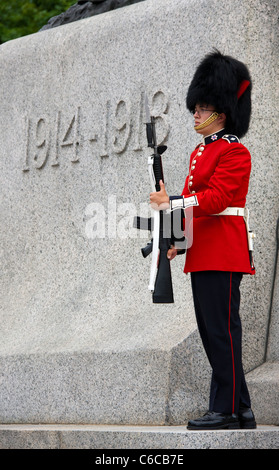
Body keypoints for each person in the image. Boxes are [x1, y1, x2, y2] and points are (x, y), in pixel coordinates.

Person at [150, 50, 257, 430]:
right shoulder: (201, 152)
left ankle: (225, 410)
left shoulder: (234, 152)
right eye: (195, 106)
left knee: (221, 334)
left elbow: (216, 200)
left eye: (203, 107)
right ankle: (241, 408)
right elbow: (197, 209)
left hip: (225, 254)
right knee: (215, 335)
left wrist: (173, 201)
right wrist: (180, 241)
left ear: (222, 112)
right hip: (205, 252)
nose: (195, 113)